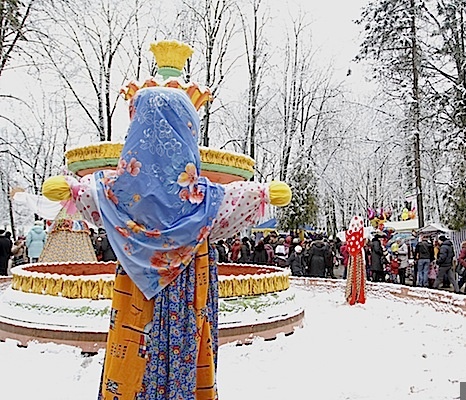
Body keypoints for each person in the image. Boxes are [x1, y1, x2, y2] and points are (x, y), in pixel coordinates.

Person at [42, 45, 291, 400]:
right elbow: (233, 200)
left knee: (131, 356)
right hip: (189, 289)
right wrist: (265, 193)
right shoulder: (202, 197)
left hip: (135, 288)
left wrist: (69, 188)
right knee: (186, 353)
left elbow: (90, 195)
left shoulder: (119, 191)